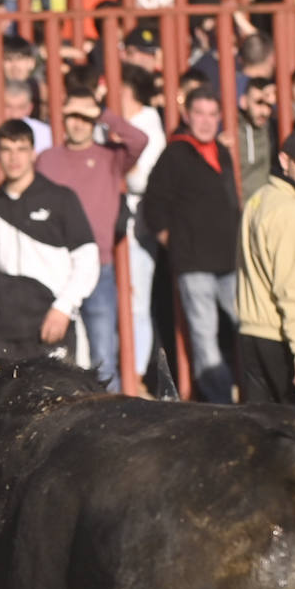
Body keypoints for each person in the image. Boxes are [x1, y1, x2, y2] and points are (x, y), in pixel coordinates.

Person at [36, 86, 148, 391]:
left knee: (103, 354)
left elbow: (140, 140)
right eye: (72, 114)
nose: (78, 122)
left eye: (85, 116)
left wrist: (101, 114)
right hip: (56, 269)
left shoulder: (110, 156)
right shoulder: (47, 159)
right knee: (55, 354)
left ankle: (110, 423)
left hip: (100, 266)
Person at [0, 119, 99, 364]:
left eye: (21, 149)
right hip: (2, 331)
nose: (13, 158)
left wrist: (64, 307)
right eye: (6, 150)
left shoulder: (61, 198)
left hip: (50, 323)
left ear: (33, 153)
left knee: (61, 400)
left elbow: (88, 258)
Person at [143, 87, 241, 403]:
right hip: (194, 264)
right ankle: (222, 406)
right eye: (199, 113)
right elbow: (153, 206)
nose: (206, 121)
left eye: (213, 114)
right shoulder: (175, 154)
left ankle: (251, 394)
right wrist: (175, 242)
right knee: (204, 337)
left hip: (230, 262)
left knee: (249, 328)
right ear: (187, 116)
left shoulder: (221, 152)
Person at [236, 126, 295, 415]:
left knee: (262, 441)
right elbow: (290, 287)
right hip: (284, 340)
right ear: (284, 160)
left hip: (253, 334)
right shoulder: (288, 211)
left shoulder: (260, 197)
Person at [119, 63, 167, 380]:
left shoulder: (149, 123)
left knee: (137, 301)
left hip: (138, 227)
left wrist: (117, 167)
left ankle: (134, 373)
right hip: (111, 224)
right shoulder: (114, 122)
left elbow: (146, 180)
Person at [237, 77, 276, 203]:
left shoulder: (273, 128)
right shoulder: (231, 128)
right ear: (243, 101)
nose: (264, 111)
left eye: (269, 105)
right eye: (259, 102)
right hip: (238, 208)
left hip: (265, 207)